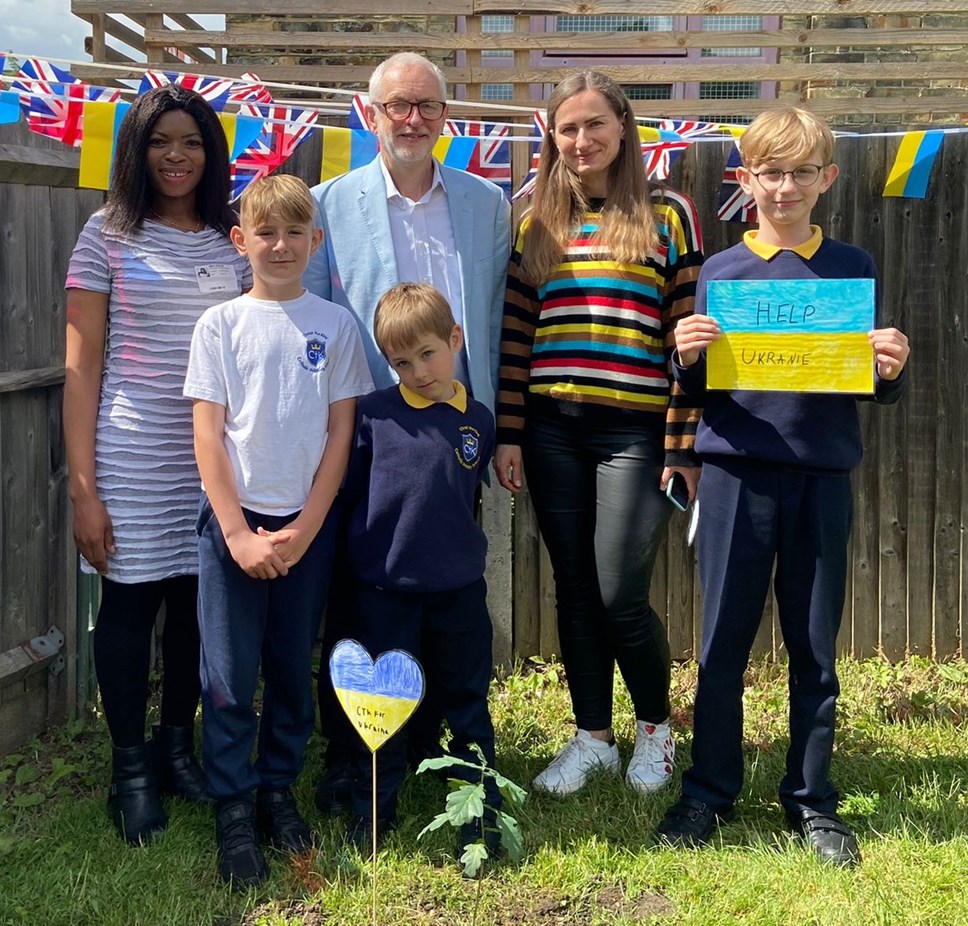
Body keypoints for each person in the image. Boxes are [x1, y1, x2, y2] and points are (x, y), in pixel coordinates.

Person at [654, 107, 910, 867]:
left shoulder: (852, 267)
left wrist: (889, 369)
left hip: (822, 474)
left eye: (803, 171)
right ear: (746, 179)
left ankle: (812, 801)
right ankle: (708, 790)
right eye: (771, 171)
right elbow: (698, 387)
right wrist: (686, 355)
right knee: (721, 644)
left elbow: (862, 378)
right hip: (735, 472)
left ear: (827, 179)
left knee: (815, 648)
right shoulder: (722, 273)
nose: (787, 185)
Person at [305, 51, 511, 815]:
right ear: (370, 114)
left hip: (455, 433)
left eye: (426, 105)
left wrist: (492, 430)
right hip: (366, 437)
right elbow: (320, 329)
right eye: (398, 106)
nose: (412, 119)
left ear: (446, 117)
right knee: (365, 609)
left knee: (449, 597)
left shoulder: (487, 204)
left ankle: (438, 752)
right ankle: (352, 761)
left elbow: (488, 321)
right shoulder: (331, 202)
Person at [494, 71, 704, 797]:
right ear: (551, 137)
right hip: (551, 427)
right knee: (574, 590)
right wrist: (510, 434)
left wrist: (683, 445)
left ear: (623, 127)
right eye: (567, 128)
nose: (581, 141)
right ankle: (592, 738)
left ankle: (655, 730)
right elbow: (517, 337)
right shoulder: (535, 223)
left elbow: (688, 343)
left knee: (618, 591)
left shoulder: (669, 215)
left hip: (635, 432)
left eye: (594, 125)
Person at [64, 85, 249, 846]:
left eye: (193, 143)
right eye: (160, 142)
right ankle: (130, 770)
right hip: (132, 458)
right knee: (131, 610)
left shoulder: (229, 239)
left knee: (194, 618)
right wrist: (83, 491)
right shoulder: (105, 236)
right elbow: (80, 369)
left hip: (215, 460)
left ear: (212, 155)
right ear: (136, 151)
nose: (177, 156)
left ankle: (178, 747)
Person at [183, 175, 373, 888]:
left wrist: (307, 526)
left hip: (306, 528)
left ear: (315, 242)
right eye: (266, 232)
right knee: (230, 677)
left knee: (293, 670)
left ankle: (275, 790)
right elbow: (206, 434)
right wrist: (237, 533)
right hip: (232, 528)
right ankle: (232, 806)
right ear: (241, 241)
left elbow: (340, 431)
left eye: (296, 232)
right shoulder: (220, 326)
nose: (281, 244)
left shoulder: (335, 325)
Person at [340, 282, 499, 854]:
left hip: (458, 591)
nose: (419, 371)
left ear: (454, 340)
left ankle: (477, 813)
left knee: (466, 700)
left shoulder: (477, 419)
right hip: (386, 591)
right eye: (401, 362)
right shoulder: (373, 418)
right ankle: (373, 814)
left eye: (428, 354)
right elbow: (351, 494)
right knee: (381, 710)